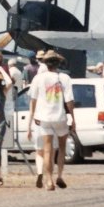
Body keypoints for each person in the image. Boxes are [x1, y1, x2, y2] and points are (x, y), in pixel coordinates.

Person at [27, 50, 75, 191]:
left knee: (47, 150)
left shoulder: (38, 79)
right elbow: (69, 101)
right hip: (60, 117)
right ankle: (59, 175)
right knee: (61, 148)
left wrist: (33, 116)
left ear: (45, 63)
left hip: (44, 117)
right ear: (58, 63)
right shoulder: (64, 78)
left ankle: (49, 180)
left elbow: (33, 99)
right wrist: (73, 117)